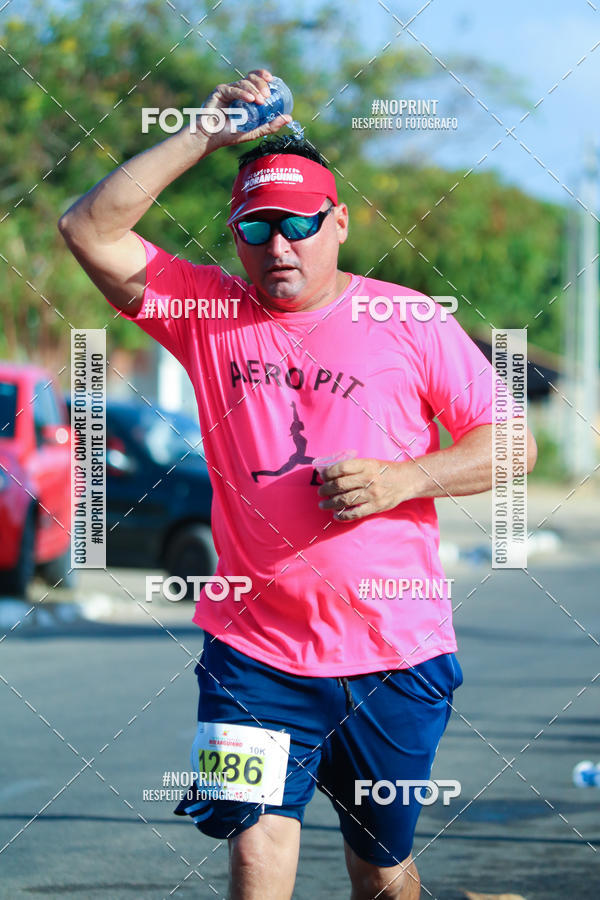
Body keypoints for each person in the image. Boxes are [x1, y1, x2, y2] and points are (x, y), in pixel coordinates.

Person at [58, 69, 537, 900]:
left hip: (395, 655)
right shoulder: (207, 313)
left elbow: (513, 445)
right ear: (236, 233)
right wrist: (204, 132)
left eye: (300, 224)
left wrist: (404, 478)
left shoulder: (410, 320)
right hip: (253, 654)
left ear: (338, 223)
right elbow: (88, 228)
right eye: (257, 227)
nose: (279, 246)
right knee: (255, 851)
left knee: (379, 869)